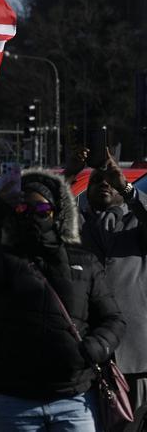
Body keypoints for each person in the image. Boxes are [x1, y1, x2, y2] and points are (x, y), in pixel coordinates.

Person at [0, 166, 126, 431]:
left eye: (42, 211)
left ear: (56, 214)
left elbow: (114, 319)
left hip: (74, 398)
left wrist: (96, 347)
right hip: (10, 400)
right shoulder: (1, 262)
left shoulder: (84, 262)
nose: (34, 216)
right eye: (24, 210)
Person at [80, 151, 147, 416]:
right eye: (97, 180)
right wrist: (71, 172)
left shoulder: (137, 224)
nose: (104, 183)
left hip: (134, 357)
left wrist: (126, 187)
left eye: (110, 180)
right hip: (87, 353)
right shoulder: (77, 225)